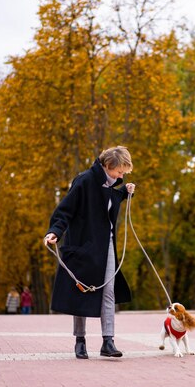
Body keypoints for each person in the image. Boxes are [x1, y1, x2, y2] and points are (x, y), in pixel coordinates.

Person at [44, 146, 135, 359]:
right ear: (109, 166)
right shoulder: (83, 181)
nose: (122, 175)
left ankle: (108, 341)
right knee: (81, 291)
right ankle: (80, 341)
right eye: (120, 171)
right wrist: (54, 232)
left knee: (109, 291)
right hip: (83, 246)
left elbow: (106, 203)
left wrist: (123, 193)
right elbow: (65, 210)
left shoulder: (110, 185)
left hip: (107, 245)